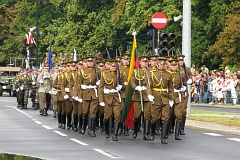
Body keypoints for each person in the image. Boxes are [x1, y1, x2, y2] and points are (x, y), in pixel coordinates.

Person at [98, 59, 124, 141]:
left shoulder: (119, 74)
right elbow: (100, 87)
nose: (114, 68)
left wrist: (121, 87)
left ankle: (115, 135)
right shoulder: (105, 74)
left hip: (116, 97)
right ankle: (106, 130)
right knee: (107, 117)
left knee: (117, 115)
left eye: (115, 66)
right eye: (112, 66)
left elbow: (124, 84)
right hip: (108, 97)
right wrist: (101, 100)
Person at [130, 55, 151, 140]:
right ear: (140, 62)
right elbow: (132, 81)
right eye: (143, 61)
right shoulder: (136, 71)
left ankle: (146, 133)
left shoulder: (151, 71)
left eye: (146, 61)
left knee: (147, 115)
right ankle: (135, 130)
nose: (145, 63)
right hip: (138, 96)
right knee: (137, 115)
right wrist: (136, 87)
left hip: (147, 95)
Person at [78, 56, 99, 137]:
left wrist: (98, 83)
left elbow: (100, 82)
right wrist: (79, 95)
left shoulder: (97, 71)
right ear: (86, 63)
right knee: (85, 112)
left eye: (92, 62)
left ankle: (92, 129)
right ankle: (84, 126)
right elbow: (78, 84)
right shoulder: (82, 71)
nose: (90, 63)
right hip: (85, 93)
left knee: (93, 112)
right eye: (89, 62)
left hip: (94, 93)